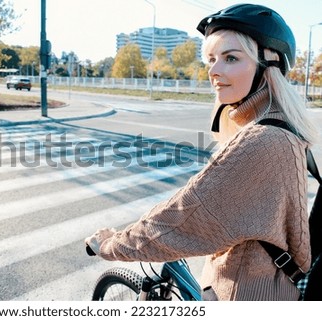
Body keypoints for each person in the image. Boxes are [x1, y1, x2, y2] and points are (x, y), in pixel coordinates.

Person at [85, 3, 319, 301]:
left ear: (269, 65)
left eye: (231, 58)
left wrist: (110, 244)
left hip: (244, 295)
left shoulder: (263, 141)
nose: (214, 71)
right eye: (211, 59)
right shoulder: (285, 130)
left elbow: (183, 218)